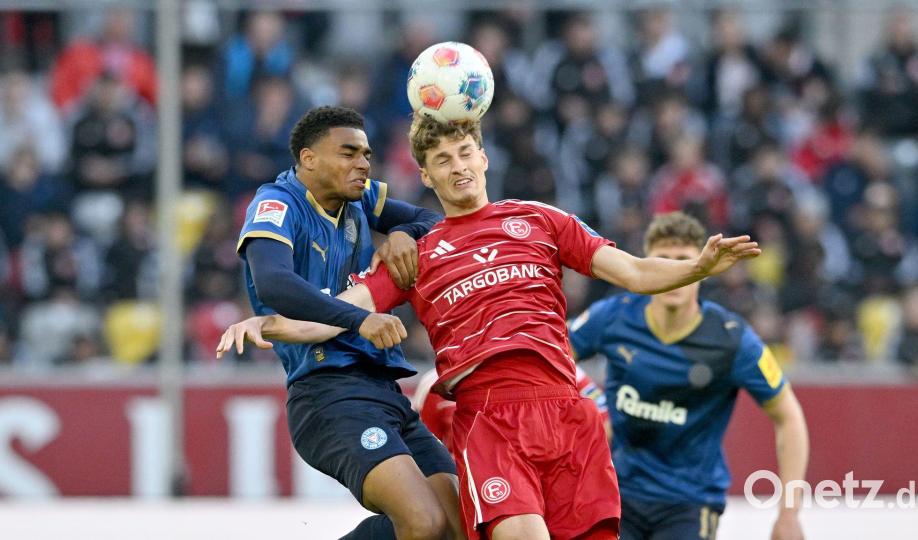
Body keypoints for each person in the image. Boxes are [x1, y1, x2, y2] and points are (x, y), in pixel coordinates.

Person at [219, 114, 760, 540]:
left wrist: (697, 268)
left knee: (447, 526)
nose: (457, 167)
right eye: (440, 160)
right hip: (491, 421)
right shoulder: (418, 256)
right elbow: (340, 313)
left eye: (463, 153)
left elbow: (636, 272)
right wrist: (268, 324)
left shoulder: (543, 220)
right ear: (426, 176)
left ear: (483, 157)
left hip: (569, 414)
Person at [235, 106, 462, 540]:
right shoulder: (277, 203)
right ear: (308, 158)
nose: (362, 164)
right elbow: (274, 283)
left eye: (367, 155)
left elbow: (432, 222)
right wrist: (360, 320)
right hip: (327, 394)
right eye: (349, 153)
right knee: (423, 523)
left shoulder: (360, 198)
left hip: (384, 392)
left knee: (459, 528)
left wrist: (402, 234)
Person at [567, 212, 809, 540]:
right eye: (662, 260)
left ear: (702, 269)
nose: (672, 270)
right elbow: (549, 354)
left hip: (690, 502)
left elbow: (789, 418)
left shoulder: (731, 339)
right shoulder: (613, 315)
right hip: (616, 492)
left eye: (682, 260)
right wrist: (594, 402)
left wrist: (789, 514)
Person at [410, 365, 609, 454]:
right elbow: (425, 452)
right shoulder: (435, 383)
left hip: (552, 489)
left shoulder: (571, 373)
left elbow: (604, 428)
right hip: (464, 493)